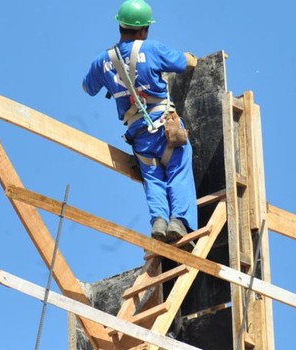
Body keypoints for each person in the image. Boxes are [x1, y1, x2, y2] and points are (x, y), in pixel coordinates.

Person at [82, 0, 198, 244]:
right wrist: (190, 58)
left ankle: (159, 221)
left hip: (139, 135)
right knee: (178, 170)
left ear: (120, 26)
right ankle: (179, 221)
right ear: (144, 29)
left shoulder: (103, 60)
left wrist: (112, 80)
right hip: (165, 125)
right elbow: (182, 62)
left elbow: (87, 87)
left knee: (153, 177)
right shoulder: (153, 49)